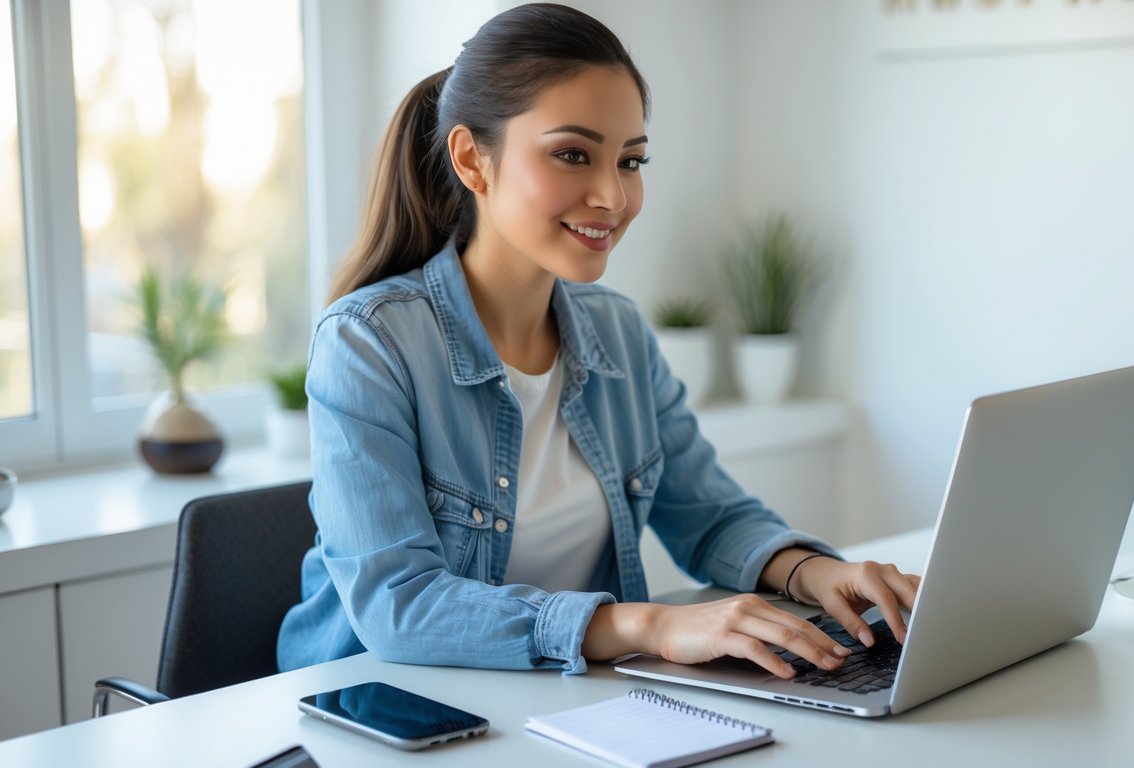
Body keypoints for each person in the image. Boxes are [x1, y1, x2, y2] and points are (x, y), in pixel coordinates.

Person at [277, 2, 920, 680]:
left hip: (560, 703)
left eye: (631, 160)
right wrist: (653, 624)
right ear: (472, 160)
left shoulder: (616, 330)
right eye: (571, 155)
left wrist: (812, 573)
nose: (612, 196)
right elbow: (398, 607)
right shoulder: (367, 344)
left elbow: (709, 516)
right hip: (379, 708)